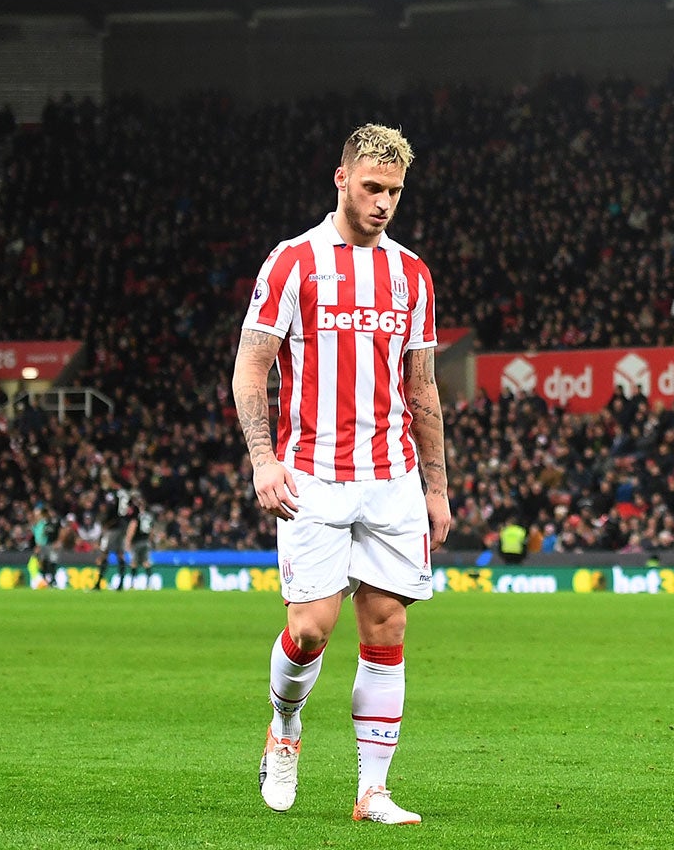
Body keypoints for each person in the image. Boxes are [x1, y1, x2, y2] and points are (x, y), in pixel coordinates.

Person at [233, 123, 450, 826]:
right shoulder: (293, 261)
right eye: (372, 188)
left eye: (394, 192)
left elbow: (422, 387)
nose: (384, 203)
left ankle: (372, 792)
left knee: (386, 629)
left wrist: (438, 487)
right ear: (341, 178)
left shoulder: (411, 273)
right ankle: (285, 727)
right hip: (314, 478)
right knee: (310, 631)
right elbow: (251, 366)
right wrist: (264, 460)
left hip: (392, 478)